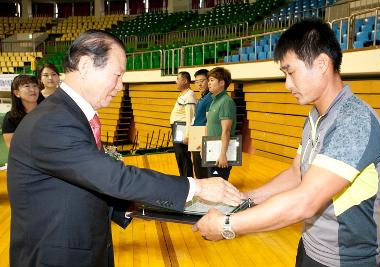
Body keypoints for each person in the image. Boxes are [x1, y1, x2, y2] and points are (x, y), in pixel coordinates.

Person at [7, 30, 241, 267]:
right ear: (86, 65)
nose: (120, 86)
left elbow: (80, 183)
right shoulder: (52, 121)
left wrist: (127, 207)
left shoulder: (66, 114)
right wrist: (197, 186)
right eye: (117, 75)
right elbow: (112, 177)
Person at [193, 19, 380, 267]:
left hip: (345, 261)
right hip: (309, 247)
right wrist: (245, 199)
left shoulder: (354, 120)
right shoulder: (317, 116)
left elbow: (306, 201)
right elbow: (297, 174)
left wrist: (227, 225)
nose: (287, 84)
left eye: (291, 72)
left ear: (321, 64)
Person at [206, 67, 237, 180]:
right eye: (209, 80)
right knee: (212, 186)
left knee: (218, 187)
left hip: (220, 154)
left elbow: (226, 131)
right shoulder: (214, 100)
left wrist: (223, 154)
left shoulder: (226, 102)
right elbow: (211, 126)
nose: (208, 83)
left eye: (212, 80)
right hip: (212, 151)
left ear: (222, 83)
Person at [1, 75, 40, 149]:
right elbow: (12, 147)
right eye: (27, 86)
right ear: (17, 93)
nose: (32, 89)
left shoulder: (49, 112)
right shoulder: (11, 118)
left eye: (35, 86)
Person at [170, 71, 197, 177]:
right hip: (178, 128)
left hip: (182, 129)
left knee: (184, 157)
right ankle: (184, 179)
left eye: (177, 79)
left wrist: (187, 135)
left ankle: (188, 181)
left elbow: (190, 117)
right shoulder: (184, 94)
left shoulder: (189, 95)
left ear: (185, 81)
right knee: (180, 157)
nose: (175, 81)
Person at [192, 68, 213, 178]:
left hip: (202, 135)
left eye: (202, 81)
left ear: (208, 81)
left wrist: (204, 140)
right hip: (196, 134)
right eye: (196, 81)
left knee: (202, 168)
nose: (199, 84)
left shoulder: (209, 98)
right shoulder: (202, 98)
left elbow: (209, 120)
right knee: (197, 166)